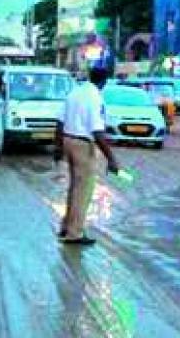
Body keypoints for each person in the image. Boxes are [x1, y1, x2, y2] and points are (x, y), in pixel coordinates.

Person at [53, 66, 120, 245]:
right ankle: (75, 234)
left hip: (68, 140)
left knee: (74, 188)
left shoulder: (74, 93)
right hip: (83, 145)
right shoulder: (95, 97)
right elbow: (97, 131)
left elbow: (59, 122)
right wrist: (111, 159)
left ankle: (66, 227)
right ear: (104, 81)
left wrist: (58, 147)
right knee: (83, 190)